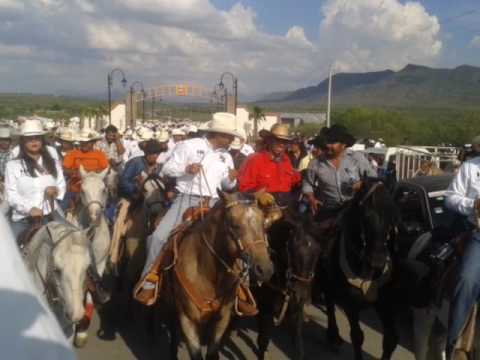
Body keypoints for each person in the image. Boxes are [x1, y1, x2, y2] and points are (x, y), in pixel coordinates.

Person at [137, 113, 239, 298]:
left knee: (240, 239)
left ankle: (240, 288)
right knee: (158, 238)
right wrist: (186, 169)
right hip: (187, 199)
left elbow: (226, 186)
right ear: (219, 134)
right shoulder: (189, 146)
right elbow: (167, 169)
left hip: (216, 202)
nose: (232, 140)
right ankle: (149, 280)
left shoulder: (227, 156)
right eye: (230, 136)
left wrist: (230, 180)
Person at [444, 141, 480, 358]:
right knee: (466, 279)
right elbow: (450, 198)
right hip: (478, 233)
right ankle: (455, 344)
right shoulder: (470, 167)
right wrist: (473, 204)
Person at [5, 119, 66, 239]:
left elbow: (61, 184)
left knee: (73, 240)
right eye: (29, 138)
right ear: (22, 141)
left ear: (42, 140)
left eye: (37, 137)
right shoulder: (13, 165)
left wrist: (55, 190)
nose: (34, 141)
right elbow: (11, 194)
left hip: (49, 216)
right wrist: (29, 208)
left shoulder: (53, 163)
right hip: (23, 219)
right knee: (8, 251)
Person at [303, 125, 372, 216]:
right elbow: (307, 183)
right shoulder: (316, 163)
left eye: (332, 142)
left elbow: (374, 180)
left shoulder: (357, 159)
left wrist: (362, 184)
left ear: (343, 144)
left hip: (356, 210)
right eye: (327, 141)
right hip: (329, 211)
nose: (327, 145)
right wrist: (311, 199)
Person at [238, 124, 301, 207]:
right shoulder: (255, 160)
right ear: (270, 140)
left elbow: (294, 179)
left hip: (287, 209)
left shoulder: (286, 160)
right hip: (264, 210)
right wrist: (259, 195)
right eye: (278, 140)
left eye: (284, 141)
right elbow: (244, 187)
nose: (281, 144)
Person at [62, 128, 108, 209]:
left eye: (87, 142)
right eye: (82, 142)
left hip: (95, 189)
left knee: (107, 205)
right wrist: (75, 173)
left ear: (93, 142)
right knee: (64, 206)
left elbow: (107, 168)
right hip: (75, 188)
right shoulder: (72, 154)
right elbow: (65, 169)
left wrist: (97, 172)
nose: (84, 144)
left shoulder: (100, 154)